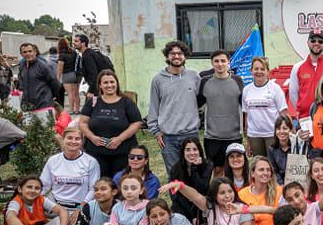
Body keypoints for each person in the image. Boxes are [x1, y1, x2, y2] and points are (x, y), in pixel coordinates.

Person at [39, 126, 100, 225]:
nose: (73, 141)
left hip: (78, 207)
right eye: (70, 138)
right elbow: (43, 186)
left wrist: (81, 207)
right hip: (55, 206)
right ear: (63, 139)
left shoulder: (91, 162)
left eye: (77, 138)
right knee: (59, 221)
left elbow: (93, 189)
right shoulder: (53, 161)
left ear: (82, 141)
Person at [148, 41, 201, 175]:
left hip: (190, 134)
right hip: (168, 137)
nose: (176, 56)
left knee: (193, 172)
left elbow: (201, 100)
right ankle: (177, 197)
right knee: (174, 174)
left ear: (185, 56)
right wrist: (156, 131)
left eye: (180, 53)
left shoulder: (194, 77)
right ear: (167, 56)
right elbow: (154, 106)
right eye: (172, 54)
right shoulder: (158, 80)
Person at [79, 70, 143, 178]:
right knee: (100, 183)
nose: (109, 85)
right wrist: (92, 137)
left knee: (122, 182)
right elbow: (83, 122)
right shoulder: (93, 102)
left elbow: (136, 123)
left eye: (112, 82)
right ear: (100, 85)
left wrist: (119, 139)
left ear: (117, 83)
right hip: (96, 153)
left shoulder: (126, 102)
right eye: (105, 83)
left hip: (123, 152)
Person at [199, 50, 245, 177]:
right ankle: (217, 195)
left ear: (228, 62)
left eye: (223, 61)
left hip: (234, 135)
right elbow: (196, 105)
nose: (220, 64)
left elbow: (245, 107)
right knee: (217, 170)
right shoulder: (204, 82)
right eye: (216, 61)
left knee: (234, 170)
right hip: (212, 137)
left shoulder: (238, 80)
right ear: (212, 63)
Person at [289, 29, 323, 124]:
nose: (316, 43)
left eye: (320, 41)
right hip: (305, 118)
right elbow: (293, 94)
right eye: (313, 40)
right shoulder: (297, 68)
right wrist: (303, 108)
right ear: (308, 43)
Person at [242, 56, 289, 158]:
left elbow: (284, 113)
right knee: (259, 166)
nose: (259, 71)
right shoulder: (246, 90)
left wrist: (287, 134)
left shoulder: (275, 89)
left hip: (272, 134)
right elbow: (246, 116)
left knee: (274, 166)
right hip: (254, 135)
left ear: (268, 71)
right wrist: (248, 140)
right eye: (256, 69)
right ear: (251, 70)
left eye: (262, 69)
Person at [167, 138, 213, 225]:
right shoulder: (176, 169)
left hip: (201, 203)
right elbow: (176, 196)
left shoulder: (208, 165)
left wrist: (194, 168)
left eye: (195, 149)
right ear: (183, 152)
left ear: (199, 151)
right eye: (188, 150)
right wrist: (191, 216)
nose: (192, 153)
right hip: (183, 204)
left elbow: (202, 188)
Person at [238, 157, 283, 225]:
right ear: (252, 173)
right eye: (261, 170)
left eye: (268, 170)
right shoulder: (242, 194)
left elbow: (285, 220)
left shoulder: (279, 191)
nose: (265, 173)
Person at [18, 43, 60, 112]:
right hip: (28, 107)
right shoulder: (22, 67)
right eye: (24, 52)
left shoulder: (43, 66)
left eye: (30, 51)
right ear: (21, 54)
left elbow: (55, 84)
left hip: (44, 105)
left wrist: (48, 97)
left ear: (35, 52)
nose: (28, 54)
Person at [267, 116, 308, 185]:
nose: (281, 132)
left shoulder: (297, 146)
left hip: (299, 182)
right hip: (280, 184)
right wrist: (281, 184)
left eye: (285, 128)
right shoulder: (272, 149)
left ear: (290, 130)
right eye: (278, 129)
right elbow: (274, 171)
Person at [72, 34, 111, 102]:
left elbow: (94, 75)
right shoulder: (88, 53)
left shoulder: (88, 56)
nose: (73, 43)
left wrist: (91, 91)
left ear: (83, 43)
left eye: (76, 41)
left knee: (89, 109)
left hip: (97, 88)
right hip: (99, 87)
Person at [56, 37, 80, 114]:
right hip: (76, 74)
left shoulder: (62, 55)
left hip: (67, 74)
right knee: (76, 94)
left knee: (70, 94)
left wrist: (57, 78)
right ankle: (77, 110)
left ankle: (71, 110)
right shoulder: (74, 52)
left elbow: (60, 68)